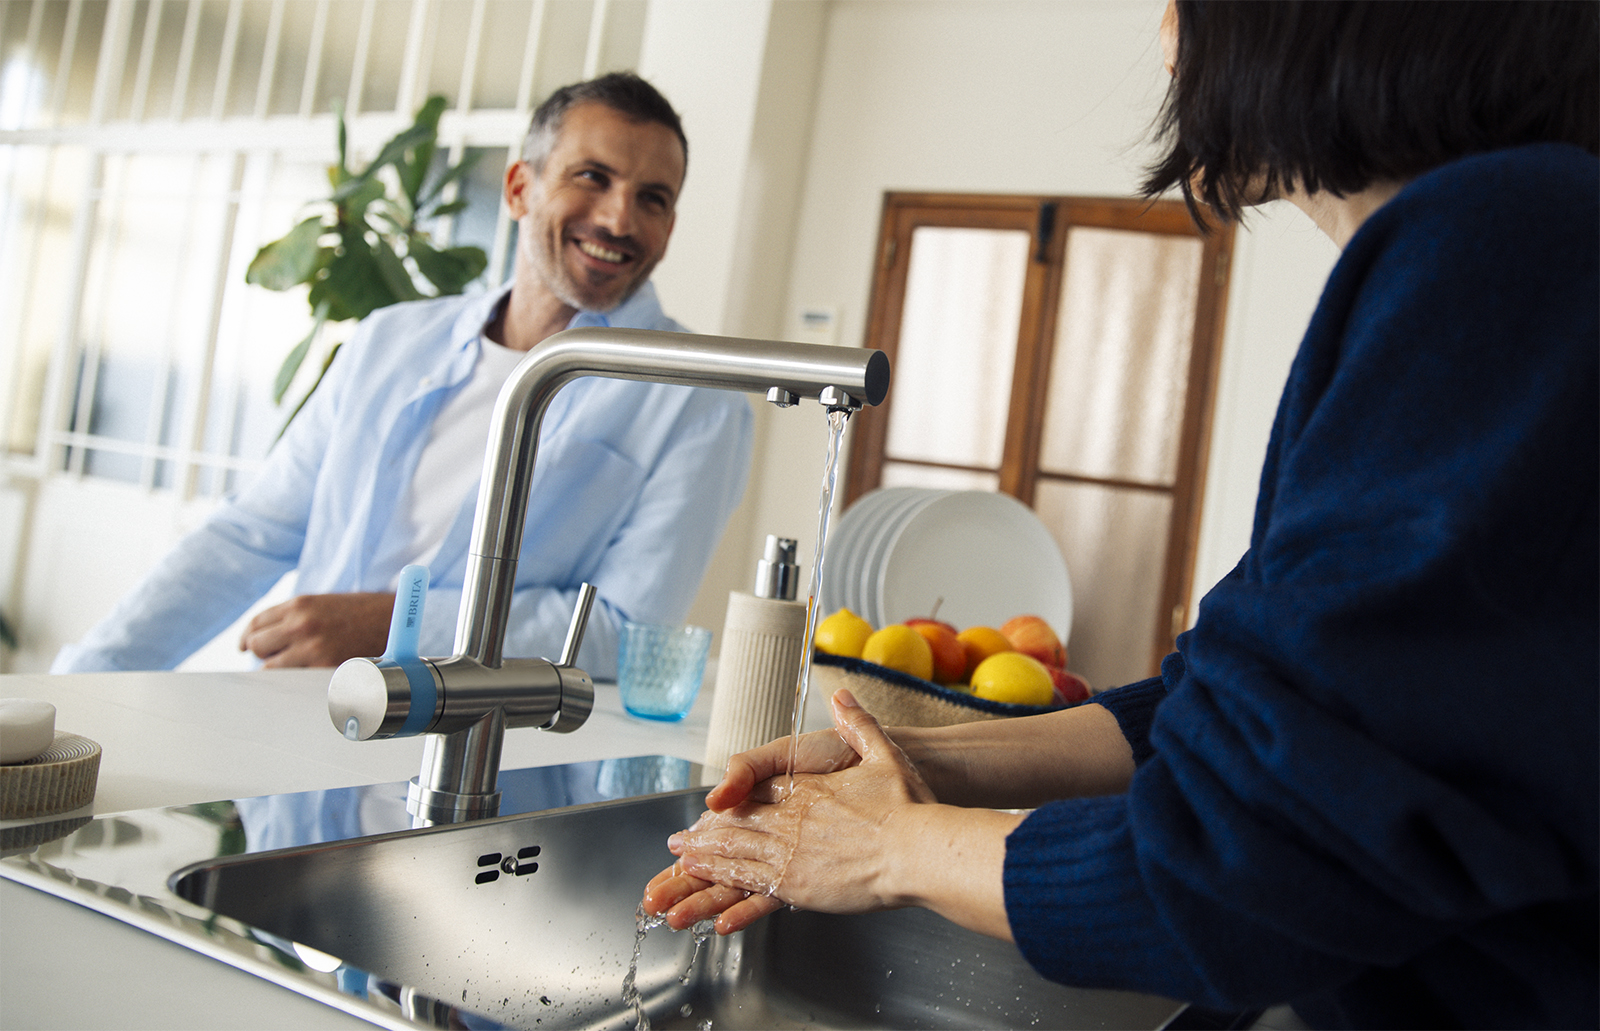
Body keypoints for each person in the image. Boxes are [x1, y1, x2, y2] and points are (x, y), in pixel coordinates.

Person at [643, 3, 1598, 1028]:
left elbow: (1251, 858)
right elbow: (1240, 706)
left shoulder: (1504, 240)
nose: (1166, 34)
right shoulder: (1505, 235)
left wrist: (887, 847)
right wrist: (917, 759)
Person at [52, 73, 753, 680]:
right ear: (518, 188)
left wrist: (390, 626)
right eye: (592, 176)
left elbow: (624, 631)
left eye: (653, 198)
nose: (618, 217)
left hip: (493, 784)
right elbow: (253, 532)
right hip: (306, 747)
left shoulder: (693, 397)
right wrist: (88, 678)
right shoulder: (391, 342)